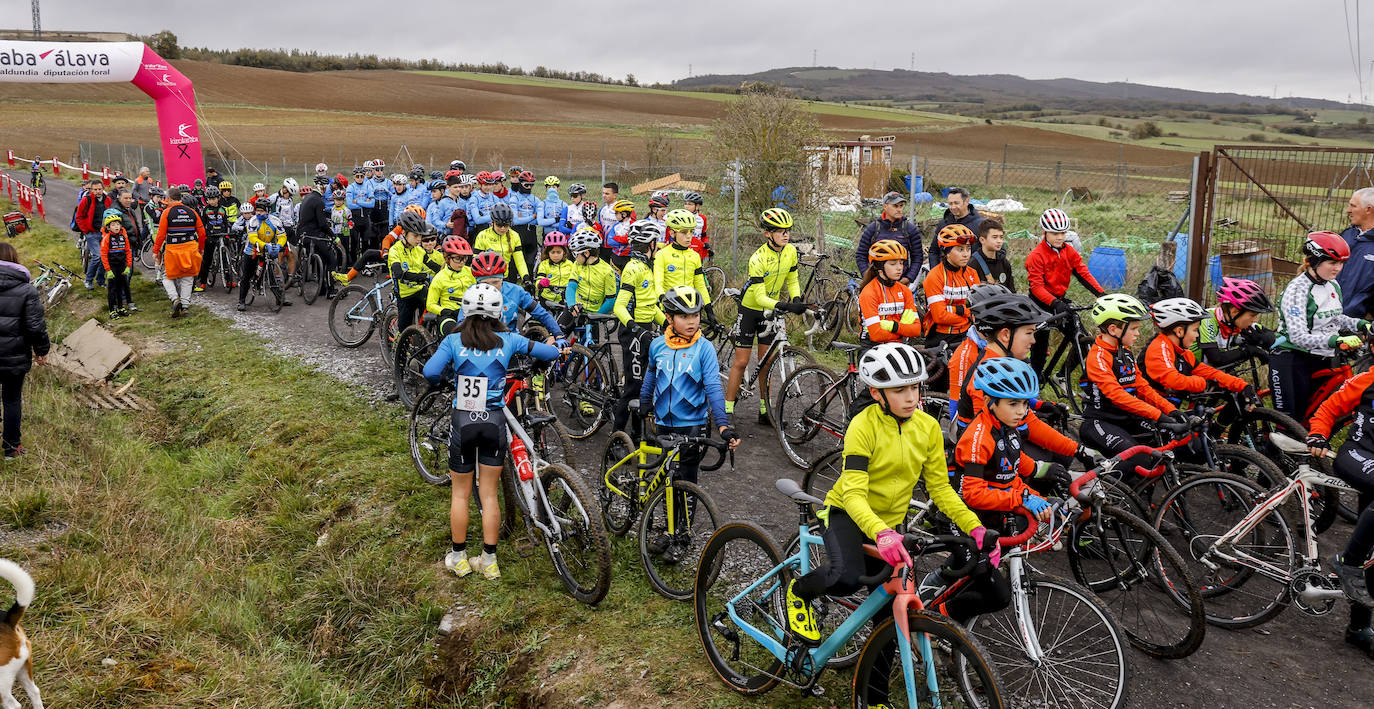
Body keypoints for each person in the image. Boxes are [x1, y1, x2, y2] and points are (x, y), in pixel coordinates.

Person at [786, 343, 999, 645]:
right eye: (899, 390)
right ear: (877, 393)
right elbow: (854, 494)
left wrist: (972, 526)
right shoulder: (863, 426)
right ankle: (799, 592)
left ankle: (873, 692)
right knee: (846, 578)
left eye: (914, 387)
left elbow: (939, 488)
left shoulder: (927, 428)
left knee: (887, 618)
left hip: (890, 526)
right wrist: (880, 532)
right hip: (848, 513)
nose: (911, 397)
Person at [424, 283, 563, 581]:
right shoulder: (510, 339)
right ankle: (489, 560)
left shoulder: (451, 341)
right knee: (489, 494)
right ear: (499, 310)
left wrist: (451, 375)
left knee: (460, 493)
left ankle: (458, 557)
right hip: (494, 421)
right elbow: (549, 353)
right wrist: (554, 345)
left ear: (465, 309)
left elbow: (430, 373)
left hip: (463, 421)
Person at [941, 357, 1057, 617]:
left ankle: (943, 604)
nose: (1021, 411)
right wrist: (1021, 499)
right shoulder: (978, 438)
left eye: (1025, 404)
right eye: (1013, 404)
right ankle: (937, 618)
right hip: (964, 516)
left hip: (990, 517)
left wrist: (1036, 497)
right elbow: (972, 493)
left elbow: (1011, 474)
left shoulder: (1009, 430)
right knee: (993, 591)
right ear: (990, 403)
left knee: (965, 574)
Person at [634, 286, 740, 560]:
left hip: (692, 426)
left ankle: (683, 535)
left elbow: (714, 390)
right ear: (669, 318)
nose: (692, 320)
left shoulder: (704, 349)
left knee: (686, 482)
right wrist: (644, 403)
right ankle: (668, 531)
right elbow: (650, 378)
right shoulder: (657, 345)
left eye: (695, 314)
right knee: (665, 480)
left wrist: (723, 426)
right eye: (684, 315)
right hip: (663, 425)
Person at [1078, 293, 1189, 478]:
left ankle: (1144, 492)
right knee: (1135, 459)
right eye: (1134, 328)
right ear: (1113, 329)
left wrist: (1171, 411)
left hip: (1126, 418)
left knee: (1161, 442)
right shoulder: (1098, 357)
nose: (1138, 333)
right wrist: (1158, 415)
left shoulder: (1125, 352)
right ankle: (1096, 490)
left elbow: (1142, 387)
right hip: (1100, 422)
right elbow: (1117, 396)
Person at [1306, 360, 1374, 656]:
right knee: (1360, 557)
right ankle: (1347, 563)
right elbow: (1328, 408)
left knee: (1371, 551)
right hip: (1357, 455)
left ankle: (1359, 628)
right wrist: (1319, 432)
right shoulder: (1367, 379)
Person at [1272, 231, 1374, 419]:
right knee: (1290, 423)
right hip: (1293, 357)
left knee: (1316, 417)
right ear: (1313, 262)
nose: (1338, 268)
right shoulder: (1298, 290)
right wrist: (1336, 340)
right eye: (1332, 263)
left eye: (1342, 263)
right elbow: (1298, 336)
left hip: (1321, 357)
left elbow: (1334, 317)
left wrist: (1361, 324)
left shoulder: (1332, 284)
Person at [725, 208, 809, 425]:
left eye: (787, 230)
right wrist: (785, 305)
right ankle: (728, 410)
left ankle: (765, 410)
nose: (785, 234)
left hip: (771, 310)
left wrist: (797, 298)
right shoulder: (758, 258)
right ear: (767, 234)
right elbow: (760, 297)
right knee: (742, 361)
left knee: (767, 362)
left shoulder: (790, 251)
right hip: (752, 308)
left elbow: (793, 279)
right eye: (780, 231)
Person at [1026, 208, 1105, 377]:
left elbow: (1083, 273)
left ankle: (1062, 376)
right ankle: (1035, 383)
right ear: (1045, 232)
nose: (1060, 237)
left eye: (1062, 232)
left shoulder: (1069, 251)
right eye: (1055, 233)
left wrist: (1102, 294)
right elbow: (1036, 287)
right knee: (1039, 348)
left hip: (1059, 301)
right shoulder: (1036, 255)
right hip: (1039, 303)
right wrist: (1055, 303)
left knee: (1081, 340)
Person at [1140, 297, 1255, 404]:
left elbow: (1210, 372)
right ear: (1180, 331)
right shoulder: (1160, 347)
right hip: (1147, 410)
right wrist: (1201, 383)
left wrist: (1241, 385)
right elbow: (1172, 380)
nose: (1197, 336)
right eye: (1195, 330)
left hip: (1166, 407)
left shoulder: (1183, 353)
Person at [612, 221, 665, 434]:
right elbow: (619, 306)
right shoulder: (633, 269)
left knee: (645, 384)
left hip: (645, 329)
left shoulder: (646, 267)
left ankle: (637, 432)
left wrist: (668, 323)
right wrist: (636, 329)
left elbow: (650, 306)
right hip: (633, 332)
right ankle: (616, 436)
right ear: (650, 244)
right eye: (657, 243)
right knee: (633, 387)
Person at [0, 243, 49, 459]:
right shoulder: (27, 290)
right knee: (11, 400)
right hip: (15, 356)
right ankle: (12, 449)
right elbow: (35, 327)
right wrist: (41, 350)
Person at [923, 224, 982, 389]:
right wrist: (965, 312)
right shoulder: (934, 277)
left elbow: (978, 309)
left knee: (967, 385)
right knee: (938, 388)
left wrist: (955, 309)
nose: (966, 254)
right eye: (960, 249)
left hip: (966, 335)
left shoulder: (972, 274)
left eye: (968, 249)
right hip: (940, 339)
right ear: (946, 252)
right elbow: (940, 316)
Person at [466, 251, 562, 340]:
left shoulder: (516, 291)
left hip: (511, 341)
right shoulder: (472, 293)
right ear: (477, 283)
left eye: (495, 282)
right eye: (485, 283)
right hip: (481, 342)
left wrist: (558, 335)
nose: (492, 288)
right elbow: (462, 323)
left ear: (502, 279)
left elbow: (542, 314)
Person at [1194, 278, 1277, 368]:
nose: (1255, 320)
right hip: (1190, 376)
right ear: (1235, 312)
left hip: (1212, 375)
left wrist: (1264, 340)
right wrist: (1249, 350)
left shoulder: (1237, 321)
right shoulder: (1207, 320)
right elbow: (1216, 359)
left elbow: (1269, 336)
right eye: (1253, 315)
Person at [153, 186, 206, 318]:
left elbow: (160, 235)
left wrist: (156, 251)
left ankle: (175, 299)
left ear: (170, 199)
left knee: (167, 276)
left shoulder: (167, 213)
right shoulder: (192, 212)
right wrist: (201, 249)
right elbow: (202, 233)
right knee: (188, 277)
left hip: (173, 249)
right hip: (190, 248)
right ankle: (185, 306)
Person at [654, 209, 715, 323]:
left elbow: (700, 285)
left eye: (691, 231)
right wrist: (664, 302)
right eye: (683, 232)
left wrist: (709, 309)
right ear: (672, 233)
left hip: (691, 307)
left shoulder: (695, 256)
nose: (689, 236)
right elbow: (658, 284)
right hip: (671, 308)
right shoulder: (662, 255)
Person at [858, 240, 922, 347]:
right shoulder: (869, 292)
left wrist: (894, 326)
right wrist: (903, 331)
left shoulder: (905, 291)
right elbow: (876, 335)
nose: (899, 268)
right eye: (893, 264)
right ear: (879, 268)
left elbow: (916, 330)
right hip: (872, 347)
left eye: (901, 263)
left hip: (899, 346)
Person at [388, 213, 444, 330]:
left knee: (436, 309)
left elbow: (435, 267)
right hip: (404, 294)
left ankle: (423, 336)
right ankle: (398, 344)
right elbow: (399, 274)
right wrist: (424, 276)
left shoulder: (419, 250)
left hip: (420, 289)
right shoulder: (395, 251)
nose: (419, 239)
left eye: (420, 236)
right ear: (404, 233)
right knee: (404, 330)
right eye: (415, 236)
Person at [855, 192, 923, 285]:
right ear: (885, 206)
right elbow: (861, 255)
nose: (899, 209)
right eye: (895, 206)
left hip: (901, 281)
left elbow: (918, 257)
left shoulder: (910, 229)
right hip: (876, 282)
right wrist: (867, 276)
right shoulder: (873, 228)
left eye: (901, 206)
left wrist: (908, 278)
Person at [564, 228, 619, 340]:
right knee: (556, 335)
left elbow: (610, 299)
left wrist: (596, 316)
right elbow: (571, 286)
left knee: (592, 350)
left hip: (593, 314)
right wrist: (571, 305)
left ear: (586, 253)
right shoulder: (577, 264)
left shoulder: (607, 271)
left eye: (575, 253)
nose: (574, 256)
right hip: (575, 308)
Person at [238, 200, 292, 310]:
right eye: (257, 210)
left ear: (267, 211)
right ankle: (241, 301)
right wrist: (265, 245)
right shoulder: (252, 221)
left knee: (272, 275)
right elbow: (253, 238)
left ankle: (279, 299)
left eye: (261, 211)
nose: (258, 213)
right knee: (246, 276)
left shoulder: (275, 221)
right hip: (252, 250)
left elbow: (282, 236)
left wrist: (278, 245)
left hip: (268, 249)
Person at [295, 176, 342, 299]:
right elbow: (322, 224)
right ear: (321, 186)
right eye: (325, 187)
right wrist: (333, 236)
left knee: (322, 256)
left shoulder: (307, 198)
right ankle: (331, 290)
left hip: (304, 236)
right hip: (313, 236)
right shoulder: (318, 201)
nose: (326, 189)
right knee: (331, 259)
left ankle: (322, 288)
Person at [427, 237, 475, 335]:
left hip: (469, 312)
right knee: (455, 335)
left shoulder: (470, 272)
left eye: (464, 258)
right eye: (458, 258)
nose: (462, 262)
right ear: (447, 259)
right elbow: (430, 305)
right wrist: (445, 311)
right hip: (449, 316)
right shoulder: (440, 277)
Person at [928, 187, 985, 268]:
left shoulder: (980, 225)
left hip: (971, 274)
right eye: (950, 204)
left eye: (956, 203)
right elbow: (933, 251)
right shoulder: (944, 223)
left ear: (966, 202)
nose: (953, 207)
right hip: (945, 274)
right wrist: (936, 271)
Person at [1339, 187, 1374, 319]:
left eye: (1353, 206)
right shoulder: (1346, 235)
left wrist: (1368, 318)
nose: (1348, 210)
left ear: (1368, 209)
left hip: (1359, 323)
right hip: (1327, 319)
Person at [472, 203, 528, 285]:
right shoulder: (482, 235)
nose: (502, 229)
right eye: (499, 225)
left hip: (504, 277)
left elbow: (520, 261)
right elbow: (476, 262)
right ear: (492, 222)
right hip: (487, 279)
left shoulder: (514, 236)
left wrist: (526, 277)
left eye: (506, 225)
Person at [75, 180, 112, 289]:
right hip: (91, 233)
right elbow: (79, 216)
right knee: (97, 256)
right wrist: (86, 230)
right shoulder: (87, 200)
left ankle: (100, 280)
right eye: (95, 189)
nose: (97, 192)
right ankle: (88, 280)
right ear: (91, 190)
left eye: (99, 189)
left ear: (103, 189)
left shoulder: (107, 200)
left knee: (105, 257)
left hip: (104, 232)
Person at [192, 189, 230, 293]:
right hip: (210, 236)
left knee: (226, 258)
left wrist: (227, 234)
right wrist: (204, 236)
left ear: (218, 198)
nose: (211, 201)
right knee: (207, 260)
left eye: (213, 199)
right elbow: (202, 225)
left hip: (222, 235)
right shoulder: (205, 210)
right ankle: (203, 282)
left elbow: (226, 223)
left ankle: (228, 280)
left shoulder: (223, 209)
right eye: (209, 199)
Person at [100, 213, 133, 319]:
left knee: (121, 286)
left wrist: (128, 266)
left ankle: (120, 307)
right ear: (108, 227)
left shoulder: (124, 236)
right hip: (111, 267)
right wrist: (108, 270)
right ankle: (112, 310)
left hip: (122, 266)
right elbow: (104, 255)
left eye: (118, 224)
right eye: (113, 225)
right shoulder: (107, 238)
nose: (116, 227)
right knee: (112, 289)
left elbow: (128, 251)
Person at [971, 219, 1014, 291]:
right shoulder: (973, 264)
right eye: (995, 237)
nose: (999, 241)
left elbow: (1012, 290)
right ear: (982, 240)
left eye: (1001, 237)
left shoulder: (1004, 262)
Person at [511, 171, 541, 271]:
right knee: (518, 257)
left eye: (531, 185)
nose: (529, 187)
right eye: (526, 185)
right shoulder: (514, 198)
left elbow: (539, 220)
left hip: (531, 232)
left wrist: (523, 218)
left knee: (530, 260)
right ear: (520, 184)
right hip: (518, 231)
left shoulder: (535, 199)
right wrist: (532, 216)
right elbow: (515, 221)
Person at [345, 167, 375, 263]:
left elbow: (372, 204)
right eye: (357, 176)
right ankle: (354, 264)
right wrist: (365, 202)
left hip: (365, 219)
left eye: (361, 176)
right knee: (354, 243)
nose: (359, 178)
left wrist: (357, 201)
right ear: (354, 177)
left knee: (366, 242)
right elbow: (350, 205)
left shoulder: (368, 187)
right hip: (354, 219)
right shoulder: (350, 187)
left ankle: (364, 263)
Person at [535, 232, 575, 305]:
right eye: (552, 252)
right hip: (546, 299)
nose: (555, 255)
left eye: (558, 252)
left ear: (564, 252)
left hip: (564, 299)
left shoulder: (570, 264)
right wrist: (540, 284)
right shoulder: (544, 264)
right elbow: (539, 279)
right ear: (548, 253)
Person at [604, 199, 637, 270]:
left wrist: (616, 238)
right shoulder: (616, 226)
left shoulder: (633, 225)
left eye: (616, 213)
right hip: (616, 257)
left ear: (624, 214)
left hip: (629, 257)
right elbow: (609, 242)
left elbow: (628, 240)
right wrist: (623, 241)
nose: (615, 215)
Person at [682, 191, 711, 260]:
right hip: (684, 248)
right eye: (685, 204)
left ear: (697, 206)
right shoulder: (681, 217)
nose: (686, 206)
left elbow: (703, 235)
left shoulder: (702, 218)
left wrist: (706, 242)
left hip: (697, 249)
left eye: (690, 204)